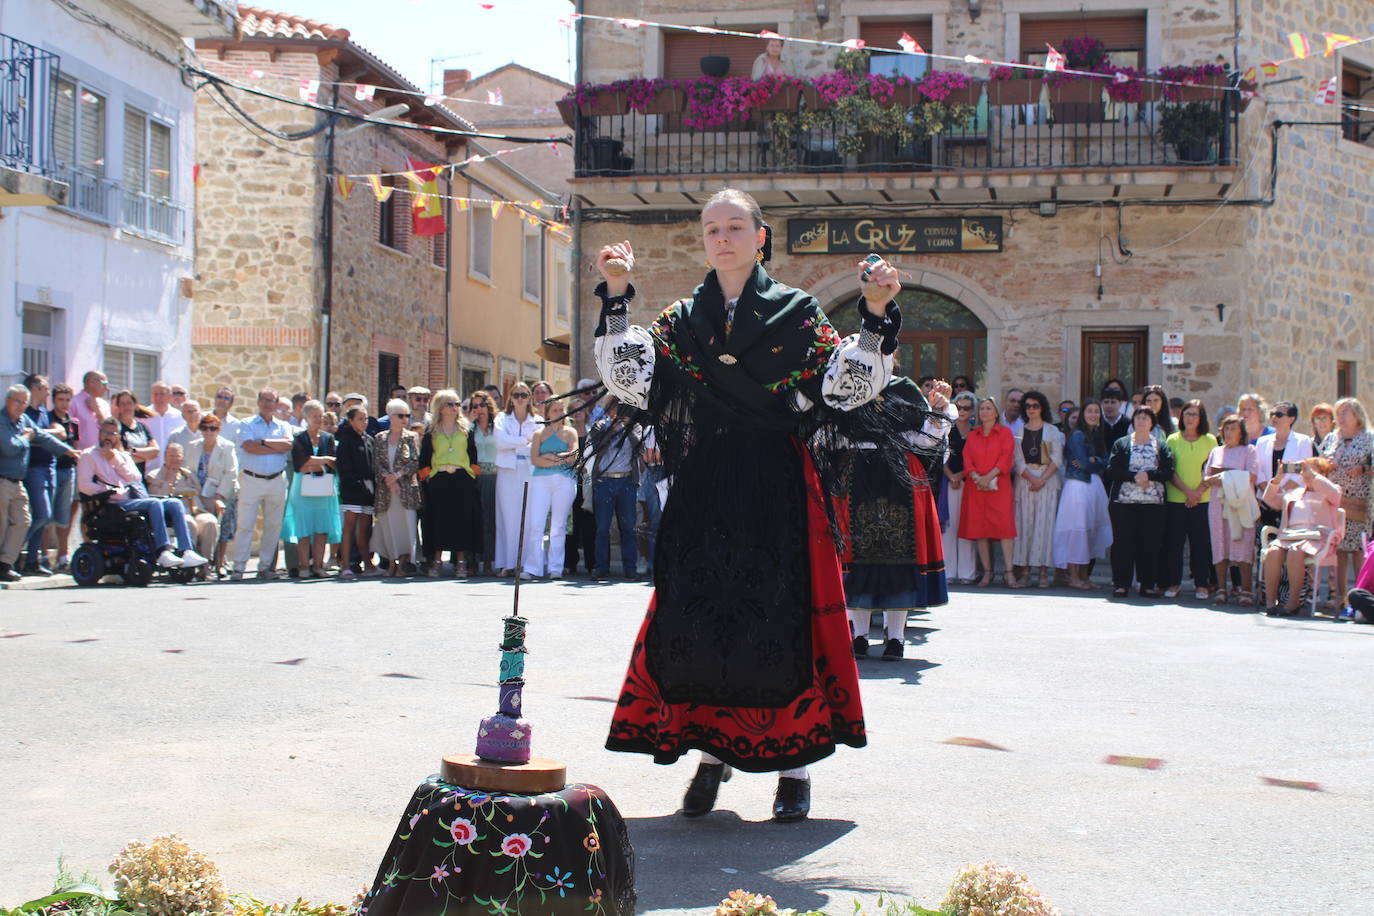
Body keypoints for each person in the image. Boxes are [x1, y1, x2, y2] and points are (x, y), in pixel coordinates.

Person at [591, 188, 930, 823]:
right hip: (705, 482)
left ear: (760, 237)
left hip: (777, 479)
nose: (723, 236)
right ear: (704, 240)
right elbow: (633, 380)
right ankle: (710, 759)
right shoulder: (681, 319)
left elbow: (845, 386)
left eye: (735, 226)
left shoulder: (797, 312)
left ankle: (794, 772)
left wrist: (877, 313)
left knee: (779, 618)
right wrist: (616, 296)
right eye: (713, 228)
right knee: (700, 617)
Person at [843, 379, 954, 660]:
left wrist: (939, 411)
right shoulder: (847, 383)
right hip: (857, 476)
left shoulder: (904, 388)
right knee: (856, 560)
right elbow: (831, 433)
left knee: (900, 560)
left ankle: (896, 639)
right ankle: (858, 636)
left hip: (900, 478)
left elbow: (927, 440)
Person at [76, 419, 207, 571]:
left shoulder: (122, 456)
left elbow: (136, 479)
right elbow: (84, 486)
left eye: (113, 434)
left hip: (133, 499)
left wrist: (115, 459)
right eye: (105, 432)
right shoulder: (89, 455)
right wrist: (108, 491)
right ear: (99, 433)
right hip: (111, 504)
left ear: (118, 437)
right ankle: (163, 550)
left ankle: (186, 551)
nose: (108, 437)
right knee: (154, 504)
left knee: (175, 503)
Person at [2, 384, 78, 580]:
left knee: (24, 521)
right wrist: (27, 437)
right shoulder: (2, 422)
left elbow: (42, 436)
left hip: (18, 481)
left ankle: (6, 562)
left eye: (23, 402)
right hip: (3, 481)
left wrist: (66, 450)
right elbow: (10, 447)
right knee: (2, 525)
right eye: (16, 401)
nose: (20, 406)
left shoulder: (23, 420)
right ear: (7, 401)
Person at [1104, 408, 1175, 598]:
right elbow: (1112, 469)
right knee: (1122, 544)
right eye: (1138, 417)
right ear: (1133, 421)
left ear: (1152, 422)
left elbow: (1168, 471)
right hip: (1123, 503)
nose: (1142, 421)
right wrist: (1134, 477)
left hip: (1153, 504)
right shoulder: (1122, 443)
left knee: (1150, 545)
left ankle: (1147, 584)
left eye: (1146, 418)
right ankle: (1121, 584)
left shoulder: (1161, 445)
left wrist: (1149, 475)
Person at [1258, 457, 1342, 617]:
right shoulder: (1294, 493)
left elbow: (1335, 496)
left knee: (1295, 551)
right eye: (1304, 470)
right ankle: (1270, 602)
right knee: (1273, 551)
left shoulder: (1330, 490)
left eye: (1310, 469)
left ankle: (1293, 602)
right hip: (1290, 536)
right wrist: (1277, 480)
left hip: (1316, 537)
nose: (1306, 473)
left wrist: (1315, 477)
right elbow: (1269, 500)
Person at [229, 389, 294, 580]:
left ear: (276, 404)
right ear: (258, 402)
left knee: (273, 526)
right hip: (252, 479)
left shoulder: (283, 426)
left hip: (276, 479)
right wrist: (275, 447)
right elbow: (249, 447)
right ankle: (239, 567)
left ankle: (265, 567)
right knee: (245, 525)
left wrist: (264, 442)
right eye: (264, 400)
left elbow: (288, 445)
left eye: (271, 401)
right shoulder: (246, 423)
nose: (268, 404)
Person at [419, 390, 482, 577]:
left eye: (457, 404)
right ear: (440, 407)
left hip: (462, 478)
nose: (455, 408)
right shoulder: (431, 431)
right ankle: (436, 561)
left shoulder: (467, 429)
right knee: (438, 520)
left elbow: (473, 456)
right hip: (440, 478)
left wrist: (472, 475)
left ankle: (461, 562)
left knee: (461, 521)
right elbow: (425, 457)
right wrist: (428, 477)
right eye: (450, 404)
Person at [1320, 397, 1373, 609]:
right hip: (1336, 502)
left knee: (1359, 550)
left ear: (1357, 416)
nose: (1340, 417)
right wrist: (1326, 465)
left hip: (1359, 502)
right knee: (1339, 550)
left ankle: (1360, 597)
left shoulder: (1369, 438)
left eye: (1345, 412)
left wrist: (1362, 469)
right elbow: (1319, 462)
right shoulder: (1332, 438)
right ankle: (1341, 598)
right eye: (1338, 412)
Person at [959, 396, 1018, 587]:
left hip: (999, 487)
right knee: (980, 529)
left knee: (1005, 529)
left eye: (989, 408)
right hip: (976, 488)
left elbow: (1005, 457)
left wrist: (988, 477)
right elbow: (967, 458)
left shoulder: (1005, 433)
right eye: (982, 408)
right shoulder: (973, 435)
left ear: (996, 412)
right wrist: (977, 477)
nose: (985, 411)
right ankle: (987, 572)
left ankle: (1009, 573)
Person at [1163, 400, 1218, 600]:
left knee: (1200, 544)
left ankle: (1201, 584)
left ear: (1201, 418)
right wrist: (1187, 492)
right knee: (1174, 544)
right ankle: (1174, 582)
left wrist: (1198, 492)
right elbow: (1170, 470)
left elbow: (1213, 470)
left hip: (1203, 500)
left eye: (1194, 414)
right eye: (1187, 414)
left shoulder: (1210, 440)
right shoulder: (1172, 440)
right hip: (1176, 499)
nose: (1190, 418)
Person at [1054, 399, 1112, 589]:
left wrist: (1096, 462)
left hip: (1093, 485)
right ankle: (1073, 576)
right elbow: (1085, 464)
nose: (1094, 415)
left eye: (1097, 411)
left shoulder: (1097, 435)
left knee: (1090, 531)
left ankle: (1085, 576)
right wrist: (1096, 462)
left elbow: (1105, 462)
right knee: (1076, 531)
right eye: (1090, 411)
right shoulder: (1078, 435)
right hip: (1078, 486)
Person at [1203, 415, 1260, 606]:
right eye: (1226, 429)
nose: (1228, 433)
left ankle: (1246, 589)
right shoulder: (1215, 451)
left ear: (1241, 432)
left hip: (1240, 504)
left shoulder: (1249, 450)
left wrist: (1223, 474)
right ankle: (1221, 588)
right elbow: (1207, 478)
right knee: (1220, 543)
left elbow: (1252, 475)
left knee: (1243, 544)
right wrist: (1229, 474)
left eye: (1233, 429)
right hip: (1217, 504)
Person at [1011, 390, 1063, 588]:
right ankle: (1024, 572)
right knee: (1025, 526)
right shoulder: (1019, 431)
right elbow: (1017, 460)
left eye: (1035, 406)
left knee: (1045, 526)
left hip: (1047, 482)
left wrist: (1041, 480)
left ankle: (1043, 571)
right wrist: (1032, 478)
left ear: (1042, 408)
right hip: (1025, 482)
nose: (1031, 409)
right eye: (1028, 406)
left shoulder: (1052, 431)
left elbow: (1057, 458)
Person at [522, 395, 578, 579]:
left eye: (561, 409)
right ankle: (532, 568)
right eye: (555, 410)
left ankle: (556, 568)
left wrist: (549, 457)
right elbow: (535, 459)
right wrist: (560, 457)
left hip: (564, 481)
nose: (559, 413)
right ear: (547, 412)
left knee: (558, 526)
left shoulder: (571, 432)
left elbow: (574, 456)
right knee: (536, 524)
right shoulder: (539, 434)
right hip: (541, 481)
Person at [588, 400, 642, 581]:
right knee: (602, 528)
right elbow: (597, 447)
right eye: (615, 408)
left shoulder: (635, 428)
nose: (618, 412)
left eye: (622, 408)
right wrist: (613, 427)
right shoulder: (600, 426)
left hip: (626, 481)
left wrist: (625, 426)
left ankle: (630, 568)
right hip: (605, 481)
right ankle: (601, 568)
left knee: (628, 527)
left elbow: (638, 446)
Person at [146, 443, 219, 577]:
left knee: (210, 522)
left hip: (196, 510)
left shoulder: (188, 474)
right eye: (171, 456)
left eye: (178, 456)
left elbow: (199, 493)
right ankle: (188, 566)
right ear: (165, 457)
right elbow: (158, 498)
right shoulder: (154, 475)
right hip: (173, 516)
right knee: (188, 523)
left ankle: (206, 567)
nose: (174, 459)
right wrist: (168, 481)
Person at [287, 400, 340, 579]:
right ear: (306, 417)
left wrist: (317, 462)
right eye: (314, 416)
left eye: (320, 416)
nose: (318, 419)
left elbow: (334, 463)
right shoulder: (299, 438)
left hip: (323, 489)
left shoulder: (328, 438)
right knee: (303, 529)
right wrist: (324, 460)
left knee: (321, 529)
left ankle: (318, 566)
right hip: (302, 489)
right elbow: (301, 464)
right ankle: (303, 566)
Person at [19, 375, 65, 575]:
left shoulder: (44, 413)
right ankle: (12, 552)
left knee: (44, 518)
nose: (48, 392)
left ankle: (32, 560)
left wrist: (44, 433)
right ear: (35, 388)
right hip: (34, 468)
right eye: (45, 388)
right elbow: (35, 436)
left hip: (50, 466)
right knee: (42, 514)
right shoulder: (25, 412)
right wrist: (47, 433)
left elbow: (51, 434)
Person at [372, 399, 421, 577]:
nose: (404, 419)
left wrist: (397, 477)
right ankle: (391, 563)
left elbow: (414, 462)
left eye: (407, 415)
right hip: (387, 491)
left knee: (406, 527)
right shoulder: (380, 438)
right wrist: (389, 480)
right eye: (401, 415)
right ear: (391, 417)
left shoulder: (411, 437)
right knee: (389, 526)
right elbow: (377, 463)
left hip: (405, 490)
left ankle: (404, 563)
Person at [493, 382, 538, 576]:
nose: (520, 399)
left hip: (529, 470)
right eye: (516, 395)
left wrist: (515, 444)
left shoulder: (538, 420)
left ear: (529, 398)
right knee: (507, 517)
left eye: (524, 395)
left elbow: (536, 446)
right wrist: (523, 441)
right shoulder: (502, 419)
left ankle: (526, 563)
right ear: (510, 398)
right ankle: (508, 562)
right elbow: (499, 441)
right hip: (507, 470)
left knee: (528, 517)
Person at [185, 414, 238, 578]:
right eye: (205, 428)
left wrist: (219, 496)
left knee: (224, 525)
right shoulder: (193, 446)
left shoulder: (227, 447)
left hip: (220, 493)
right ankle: (201, 563)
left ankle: (220, 563)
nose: (209, 432)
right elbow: (187, 470)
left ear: (218, 429)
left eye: (213, 428)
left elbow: (231, 473)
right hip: (198, 493)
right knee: (201, 526)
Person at [336, 406, 379, 579]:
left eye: (366, 419)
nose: (364, 422)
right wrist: (357, 484)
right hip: (352, 490)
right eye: (360, 419)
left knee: (365, 530)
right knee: (349, 528)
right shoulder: (346, 440)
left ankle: (368, 564)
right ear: (351, 421)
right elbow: (344, 468)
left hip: (368, 491)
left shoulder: (369, 440)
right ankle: (345, 565)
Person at [940, 391, 978, 584]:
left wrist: (962, 476)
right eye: (959, 407)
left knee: (966, 527)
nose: (962, 411)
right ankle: (948, 572)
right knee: (949, 526)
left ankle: (967, 573)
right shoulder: (947, 430)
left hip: (970, 481)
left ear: (972, 411)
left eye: (966, 408)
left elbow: (978, 460)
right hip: (949, 481)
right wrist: (951, 476)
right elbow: (941, 456)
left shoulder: (976, 433)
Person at [48, 383, 81, 573]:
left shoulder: (73, 422)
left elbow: (75, 446)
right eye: (61, 399)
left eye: (68, 400)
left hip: (69, 470)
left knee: (66, 515)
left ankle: (63, 555)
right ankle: (44, 555)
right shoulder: (48, 418)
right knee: (48, 515)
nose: (64, 403)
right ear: (54, 400)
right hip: (52, 468)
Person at [467, 390, 500, 576]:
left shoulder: (498, 426)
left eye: (481, 405)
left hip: (494, 476)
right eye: (475, 406)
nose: (479, 409)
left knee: (490, 519)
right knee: (474, 518)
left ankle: (488, 561)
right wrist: (469, 421)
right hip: (475, 475)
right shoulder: (470, 429)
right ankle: (472, 561)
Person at [113, 390, 159, 482]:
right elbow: (121, 457)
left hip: (141, 478)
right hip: (123, 479)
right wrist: (145, 455)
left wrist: (133, 451)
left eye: (129, 403)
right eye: (123, 404)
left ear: (135, 405)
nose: (126, 407)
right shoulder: (115, 427)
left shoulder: (142, 427)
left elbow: (155, 451)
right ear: (118, 407)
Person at [143, 381, 185, 471]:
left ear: (170, 396)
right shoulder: (143, 416)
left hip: (172, 471)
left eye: (162, 394)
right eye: (155, 394)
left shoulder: (179, 417)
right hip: (148, 470)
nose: (158, 398)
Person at [70, 370, 110, 450]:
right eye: (104, 384)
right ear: (91, 382)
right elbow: (69, 429)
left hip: (102, 455)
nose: (106, 388)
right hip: (81, 455)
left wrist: (98, 413)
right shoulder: (73, 402)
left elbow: (110, 429)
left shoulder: (104, 404)